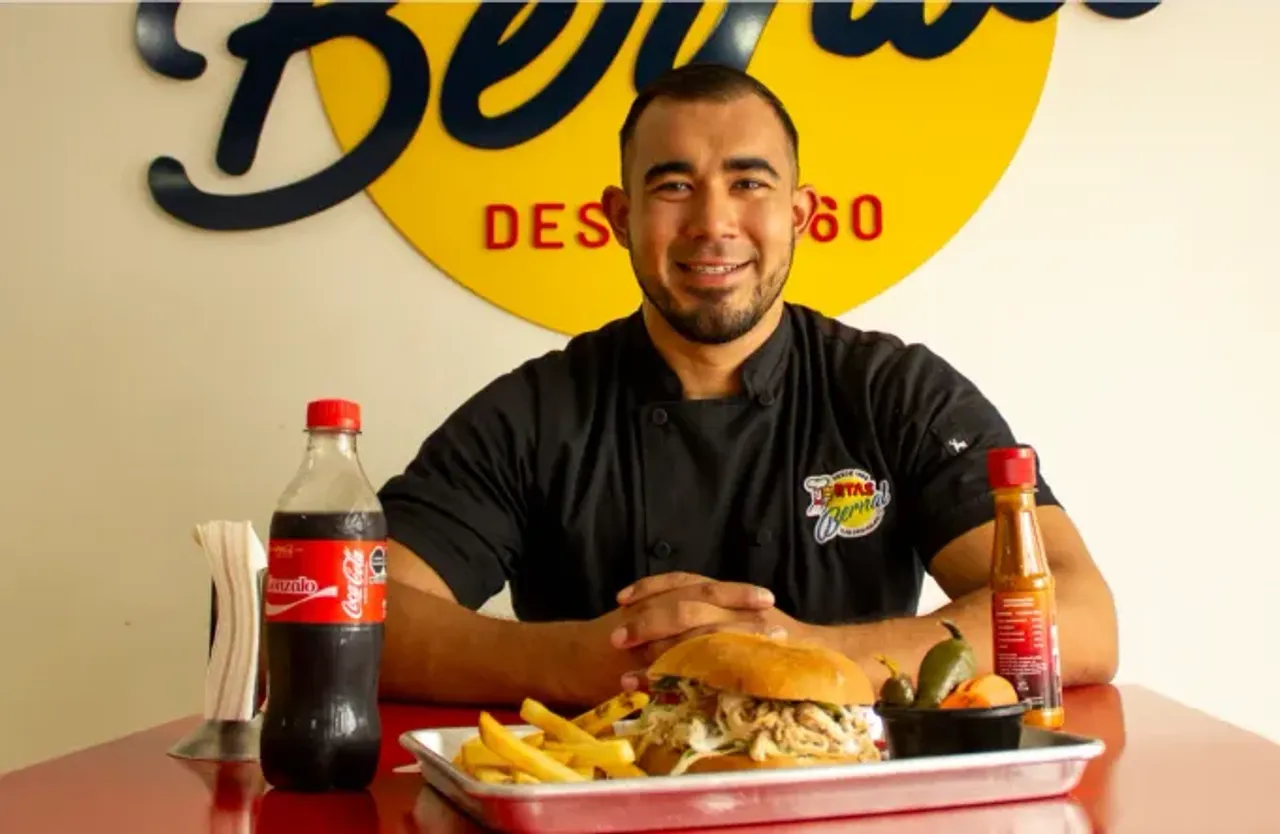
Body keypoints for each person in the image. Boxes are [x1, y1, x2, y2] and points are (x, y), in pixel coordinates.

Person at [377, 63, 1118, 708]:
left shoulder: (896, 392)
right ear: (620, 217)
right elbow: (356, 618)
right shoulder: (535, 414)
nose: (713, 222)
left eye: (748, 182)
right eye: (674, 186)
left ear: (799, 215)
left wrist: (814, 657)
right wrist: (575, 661)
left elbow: (1082, 615)